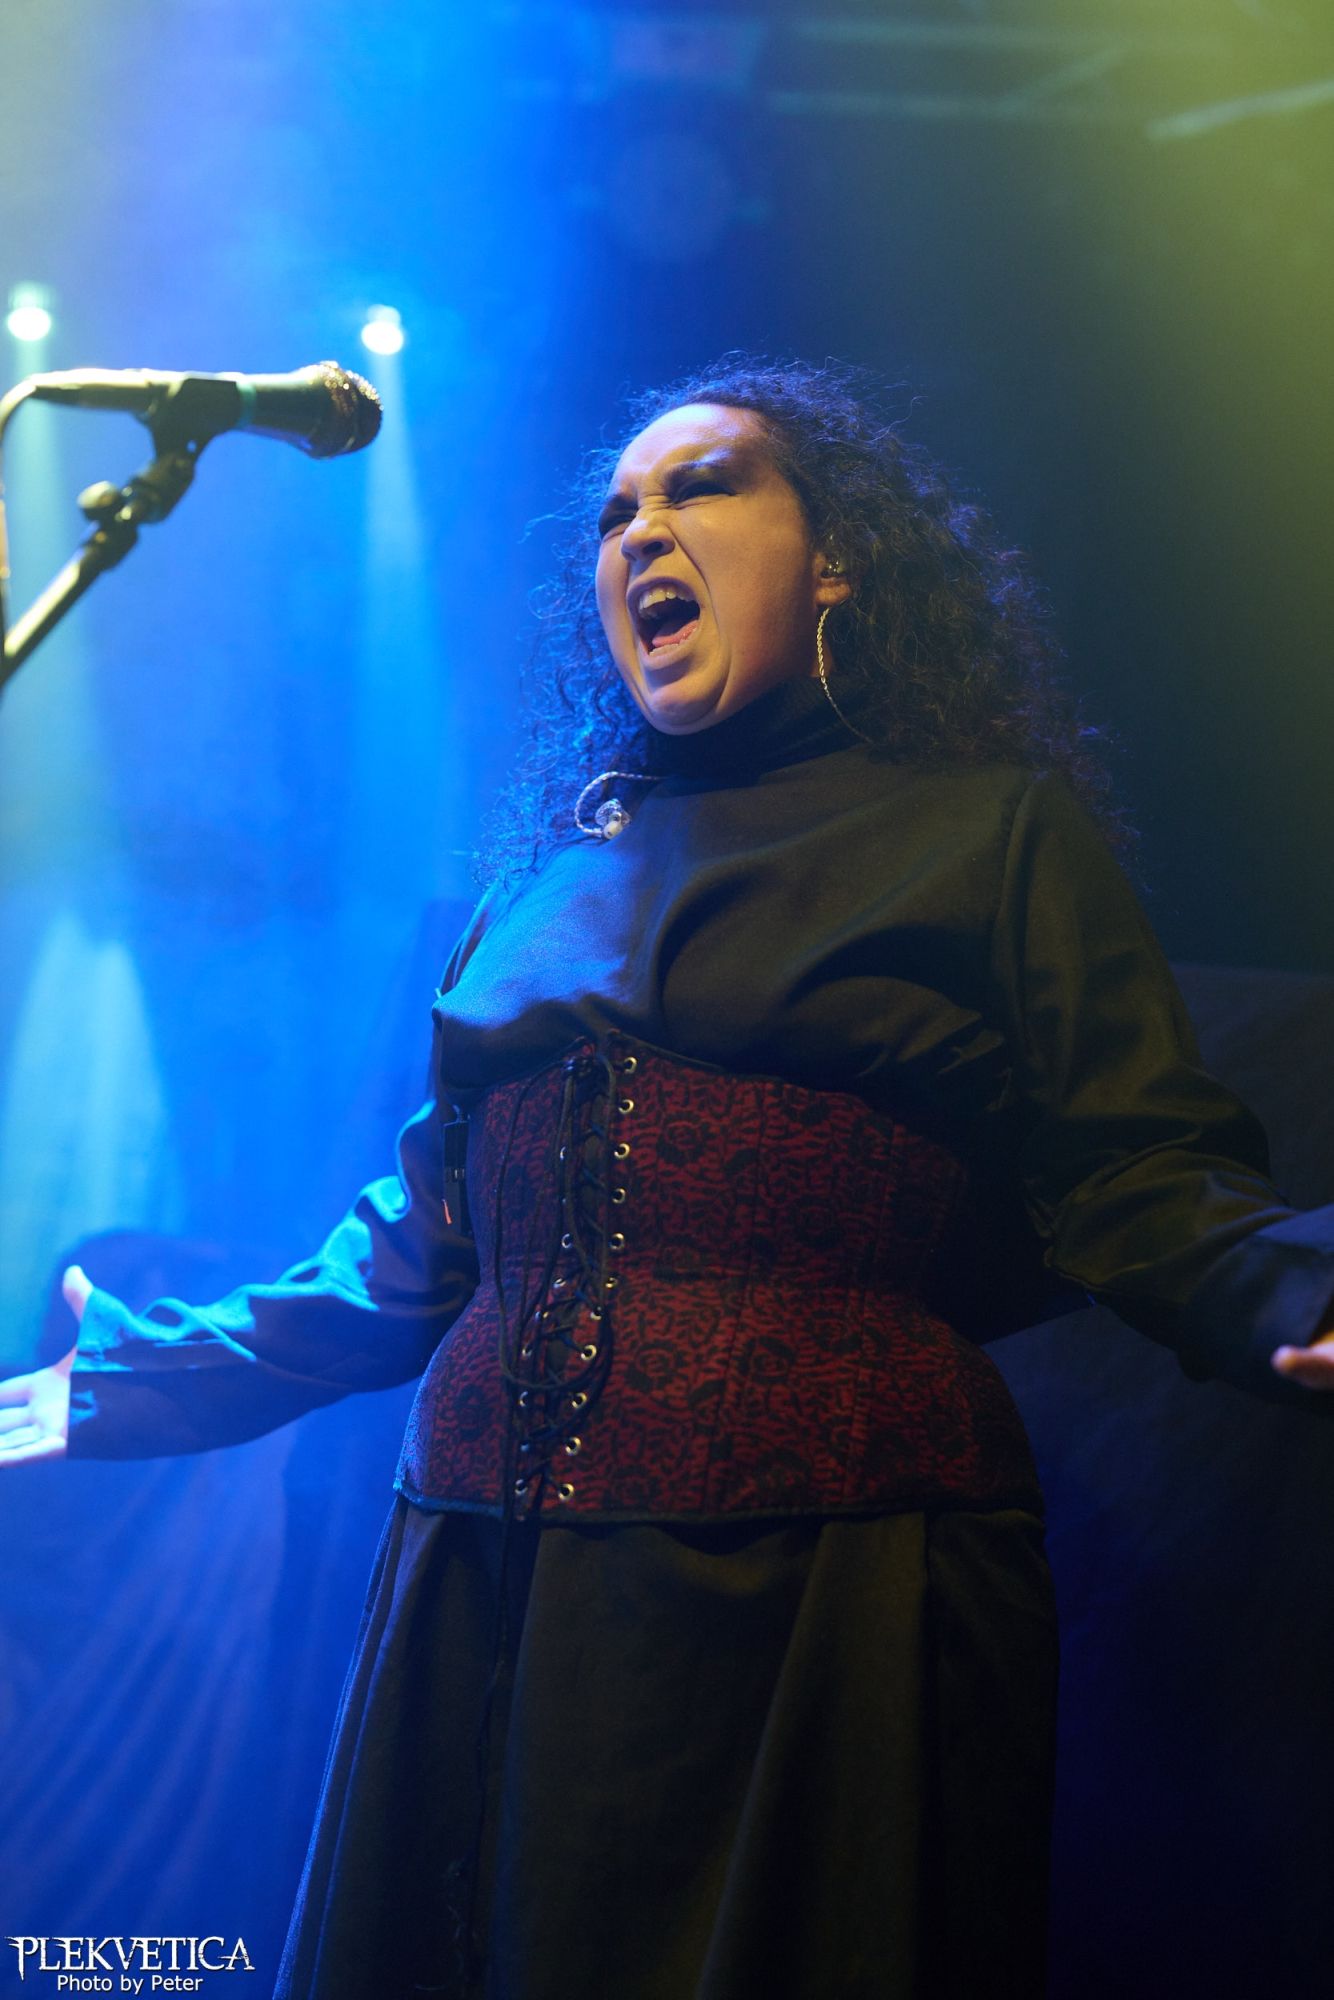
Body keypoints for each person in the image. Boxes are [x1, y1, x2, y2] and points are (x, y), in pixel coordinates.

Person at [2, 358, 1332, 2000]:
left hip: (826, 1575)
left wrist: (1294, 1291)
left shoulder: (985, 836)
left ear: (838, 558)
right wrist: (125, 1382)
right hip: (487, 1570)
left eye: (701, 487)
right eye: (617, 510)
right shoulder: (543, 880)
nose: (640, 529)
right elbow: (418, 1253)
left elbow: (1140, 1169)